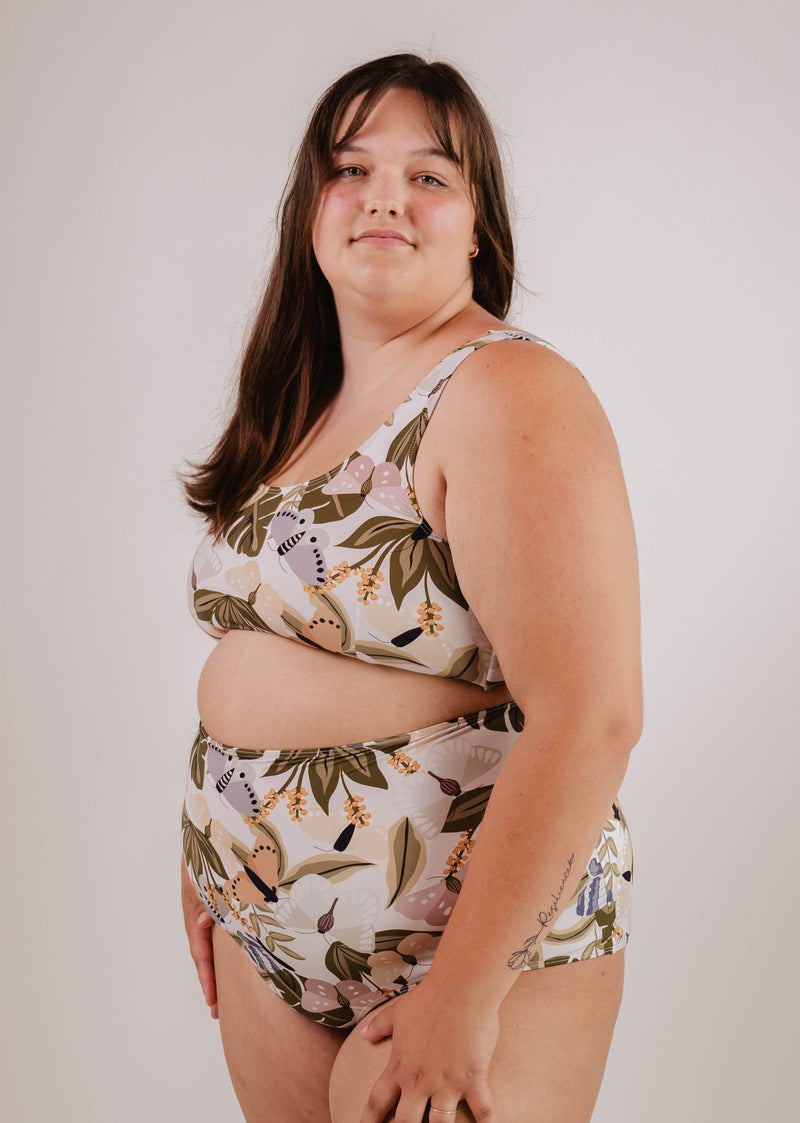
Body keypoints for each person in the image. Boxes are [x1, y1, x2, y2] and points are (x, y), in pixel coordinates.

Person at [177, 52, 642, 1123]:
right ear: (309, 212)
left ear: (477, 226)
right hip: (264, 937)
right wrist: (210, 839)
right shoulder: (293, 413)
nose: (385, 194)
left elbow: (592, 715)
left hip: (467, 953)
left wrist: (463, 998)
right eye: (350, 168)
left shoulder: (506, 389)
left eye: (429, 176)